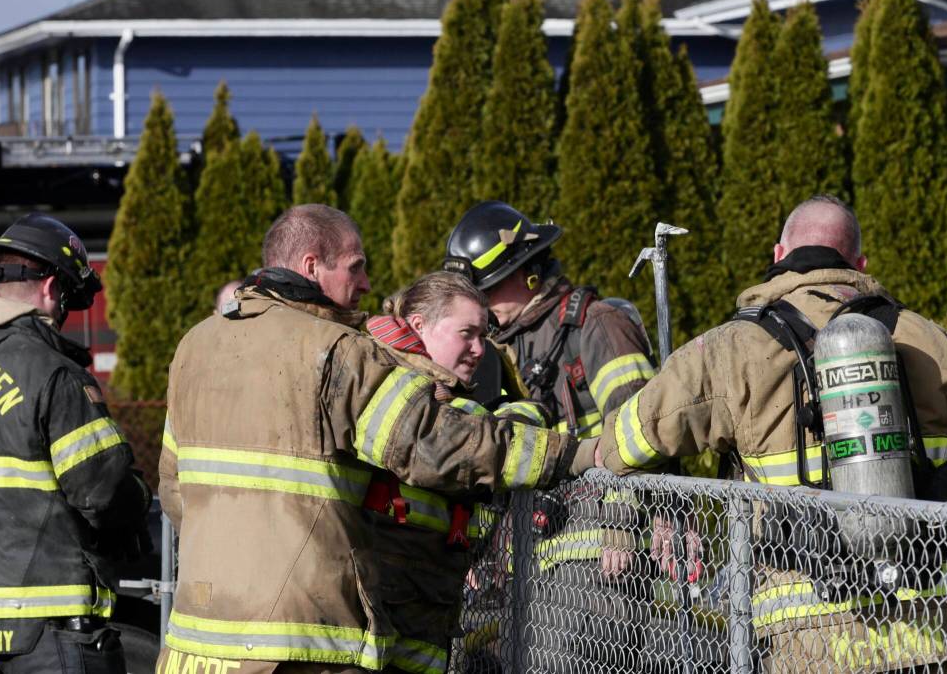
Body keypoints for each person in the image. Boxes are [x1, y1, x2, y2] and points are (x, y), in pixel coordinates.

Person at [157, 204, 593, 674]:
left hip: (194, 647)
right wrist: (572, 452)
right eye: (355, 266)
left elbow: (175, 492)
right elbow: (435, 445)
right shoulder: (336, 351)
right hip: (300, 648)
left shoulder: (194, 347)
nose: (366, 283)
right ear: (311, 266)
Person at [594, 195, 947, 672]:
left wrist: (589, 457)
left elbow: (626, 443)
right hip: (941, 623)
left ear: (778, 254)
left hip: (808, 633)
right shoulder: (929, 340)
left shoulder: (729, 351)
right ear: (861, 264)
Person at [444, 200, 657, 672]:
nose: (482, 306)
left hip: (598, 556)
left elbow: (640, 430)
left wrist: (621, 522)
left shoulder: (598, 325)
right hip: (531, 559)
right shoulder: (503, 347)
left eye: (486, 290)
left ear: (526, 274)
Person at [0, 213, 152, 674]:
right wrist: (141, 499)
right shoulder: (55, 375)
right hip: (46, 636)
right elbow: (105, 492)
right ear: (53, 290)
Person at [363, 271, 548, 674]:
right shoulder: (389, 379)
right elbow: (454, 437)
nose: (479, 350)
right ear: (418, 325)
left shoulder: (432, 386)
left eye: (483, 336)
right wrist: (527, 413)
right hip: (381, 606)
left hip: (420, 604)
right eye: (467, 333)